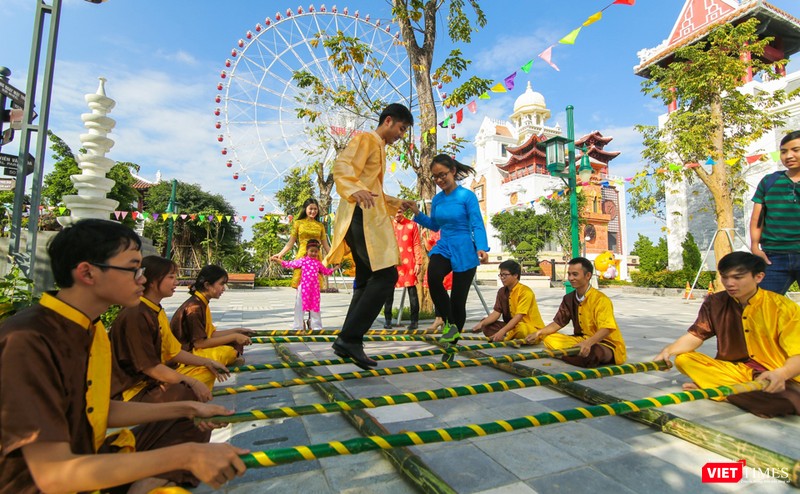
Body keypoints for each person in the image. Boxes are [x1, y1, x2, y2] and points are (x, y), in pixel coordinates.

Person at [0, 219, 247, 494]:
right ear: (88, 273)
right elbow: (51, 475)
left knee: (192, 421)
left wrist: (190, 409)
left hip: (89, 457)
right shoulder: (29, 339)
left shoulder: (90, 328)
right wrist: (185, 456)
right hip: (46, 483)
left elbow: (98, 409)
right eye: (133, 269)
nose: (142, 279)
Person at [655, 252, 800, 418]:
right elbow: (696, 336)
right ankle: (732, 392)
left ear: (758, 277)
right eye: (725, 277)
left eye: (738, 277)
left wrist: (782, 374)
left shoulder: (782, 307)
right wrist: (668, 351)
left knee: (780, 404)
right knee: (683, 359)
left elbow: (798, 353)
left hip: (774, 372)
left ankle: (718, 391)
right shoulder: (715, 302)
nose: (730, 283)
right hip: (736, 370)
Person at [324, 103, 413, 369]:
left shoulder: (380, 148)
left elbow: (372, 191)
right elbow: (342, 166)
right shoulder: (365, 139)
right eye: (401, 128)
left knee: (365, 280)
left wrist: (398, 203)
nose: (401, 135)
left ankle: (348, 340)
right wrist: (353, 189)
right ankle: (350, 338)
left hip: (364, 213)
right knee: (386, 276)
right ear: (388, 121)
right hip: (358, 216)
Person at [110, 255, 232, 406]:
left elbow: (174, 351)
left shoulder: (155, 310)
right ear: (153, 281)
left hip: (155, 378)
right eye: (171, 277)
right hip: (131, 390)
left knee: (206, 372)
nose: (176, 282)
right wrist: (192, 382)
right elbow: (150, 367)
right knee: (188, 393)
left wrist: (208, 362)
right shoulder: (136, 314)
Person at [403, 154, 489, 347]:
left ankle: (452, 338)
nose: (439, 180)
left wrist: (482, 247)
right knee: (433, 277)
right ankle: (448, 322)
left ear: (453, 171)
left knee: (458, 300)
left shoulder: (467, 196)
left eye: (443, 175)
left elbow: (476, 223)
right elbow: (434, 225)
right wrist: (417, 213)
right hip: (444, 245)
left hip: (465, 248)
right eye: (435, 177)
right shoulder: (438, 199)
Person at [524, 257, 627, 368]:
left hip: (604, 343)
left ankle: (567, 354)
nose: (571, 278)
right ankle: (572, 354)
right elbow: (558, 323)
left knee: (592, 353)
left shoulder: (601, 300)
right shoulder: (569, 298)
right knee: (549, 338)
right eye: (569, 274)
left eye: (575, 274)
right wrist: (538, 333)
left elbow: (606, 329)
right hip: (581, 339)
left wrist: (589, 343)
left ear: (588, 276)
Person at [171, 265, 253, 367]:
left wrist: (237, 331)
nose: (224, 289)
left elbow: (211, 334)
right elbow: (199, 344)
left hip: (195, 348)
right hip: (185, 354)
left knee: (235, 343)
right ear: (207, 285)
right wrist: (234, 336)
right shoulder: (194, 308)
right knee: (228, 352)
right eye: (221, 284)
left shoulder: (201, 302)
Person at [749, 130, 800, 295]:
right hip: (773, 258)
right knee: (763, 308)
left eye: (796, 150)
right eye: (784, 151)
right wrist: (755, 247)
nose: (789, 156)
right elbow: (758, 218)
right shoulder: (769, 181)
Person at [472, 260, 545, 342]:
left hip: (528, 327)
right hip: (510, 327)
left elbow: (518, 316)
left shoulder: (525, 292)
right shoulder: (501, 292)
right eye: (501, 275)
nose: (502, 278)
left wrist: (502, 331)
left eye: (505, 275)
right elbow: (496, 313)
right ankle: (510, 338)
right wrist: (481, 324)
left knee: (522, 329)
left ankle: (506, 337)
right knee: (486, 324)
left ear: (515, 275)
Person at [273, 239, 336, 331]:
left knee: (315, 307)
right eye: (311, 251)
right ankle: (298, 326)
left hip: (314, 289)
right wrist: (278, 260)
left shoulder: (318, 263)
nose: (313, 253)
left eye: (316, 251)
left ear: (318, 252)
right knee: (299, 306)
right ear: (307, 251)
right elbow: (289, 264)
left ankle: (316, 326)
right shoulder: (302, 261)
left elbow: (326, 271)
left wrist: (335, 268)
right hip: (303, 288)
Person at [271, 197, 331, 289]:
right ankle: (301, 303)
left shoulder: (320, 226)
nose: (313, 211)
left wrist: (334, 257)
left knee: (314, 286)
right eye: (310, 209)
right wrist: (280, 254)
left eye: (315, 209)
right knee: (300, 287)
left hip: (315, 257)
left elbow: (326, 244)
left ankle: (312, 303)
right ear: (305, 209)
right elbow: (290, 242)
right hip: (302, 256)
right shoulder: (297, 223)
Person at [383, 209, 424, 329]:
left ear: (404, 212)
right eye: (394, 211)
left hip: (408, 262)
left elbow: (416, 243)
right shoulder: (387, 225)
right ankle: (387, 320)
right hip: (392, 262)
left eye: (399, 211)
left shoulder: (411, 225)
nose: (397, 214)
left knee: (412, 293)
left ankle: (414, 321)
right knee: (388, 293)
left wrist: (418, 262)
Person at [421, 229, 452, 332]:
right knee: (436, 290)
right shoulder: (433, 230)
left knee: (442, 291)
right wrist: (425, 237)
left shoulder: (448, 228)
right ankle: (440, 318)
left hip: (448, 263)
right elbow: (430, 248)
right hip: (437, 263)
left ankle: (445, 319)